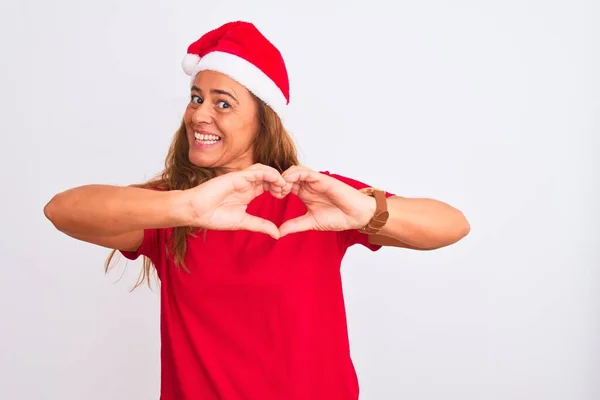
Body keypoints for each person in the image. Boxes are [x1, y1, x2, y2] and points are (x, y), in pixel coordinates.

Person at [44, 20, 470, 400]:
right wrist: (186, 204)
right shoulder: (172, 207)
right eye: (196, 98)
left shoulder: (316, 197)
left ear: (263, 120)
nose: (198, 115)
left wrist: (363, 212)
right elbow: (61, 210)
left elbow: (452, 225)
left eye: (222, 103)